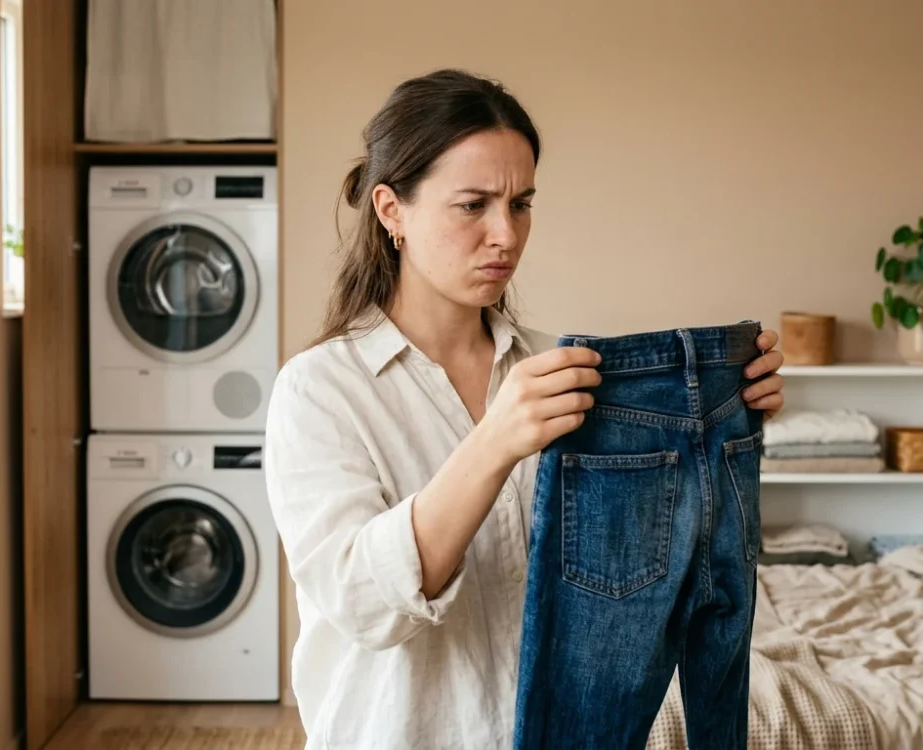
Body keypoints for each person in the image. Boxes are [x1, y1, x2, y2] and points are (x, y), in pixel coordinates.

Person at [264, 68, 785, 749]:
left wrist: (727, 414)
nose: (505, 235)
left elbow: (650, 564)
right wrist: (494, 443)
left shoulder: (561, 372)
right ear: (391, 210)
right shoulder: (319, 389)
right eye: (473, 205)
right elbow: (364, 604)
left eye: (522, 203)